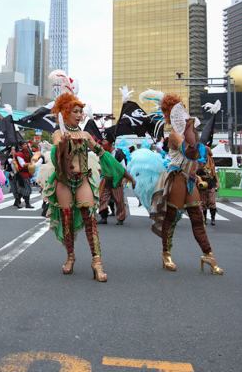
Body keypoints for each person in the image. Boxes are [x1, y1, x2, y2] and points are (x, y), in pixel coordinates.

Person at [41, 72, 125, 282]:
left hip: (83, 179)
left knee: (90, 220)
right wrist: (63, 143)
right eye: (75, 111)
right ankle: (70, 256)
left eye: (81, 112)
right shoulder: (59, 134)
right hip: (63, 182)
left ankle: (97, 261)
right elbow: (55, 156)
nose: (80, 115)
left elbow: (104, 155)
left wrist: (122, 172)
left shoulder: (86, 136)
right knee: (67, 220)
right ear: (65, 113)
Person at [138, 92, 221, 275]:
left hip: (191, 180)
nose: (183, 112)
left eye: (182, 108)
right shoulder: (175, 134)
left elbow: (197, 153)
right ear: (171, 114)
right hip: (177, 178)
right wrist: (194, 133)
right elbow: (191, 152)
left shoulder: (187, 132)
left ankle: (208, 254)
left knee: (197, 218)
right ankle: (166, 253)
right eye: (178, 109)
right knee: (172, 217)